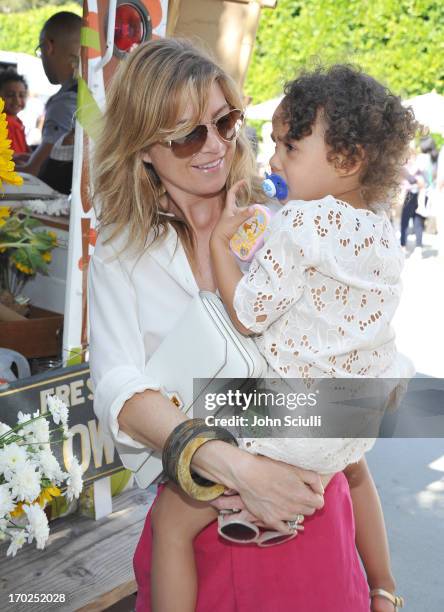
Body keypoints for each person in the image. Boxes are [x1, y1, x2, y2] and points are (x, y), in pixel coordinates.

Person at [88, 41, 404, 612]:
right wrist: (234, 464)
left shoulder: (289, 226)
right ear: (142, 149)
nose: (214, 145)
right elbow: (116, 387)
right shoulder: (122, 253)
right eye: (186, 133)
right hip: (203, 546)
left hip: (313, 532)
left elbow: (346, 432)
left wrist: (383, 586)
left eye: (225, 121)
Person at [16, 11, 80, 181]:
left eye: (40, 50)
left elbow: (34, 172)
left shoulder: (65, 103)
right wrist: (33, 156)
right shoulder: (91, 92)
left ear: (48, 46)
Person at [0, 69, 30, 157]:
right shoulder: (5, 123)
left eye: (21, 95)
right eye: (10, 95)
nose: (17, 100)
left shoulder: (17, 122)